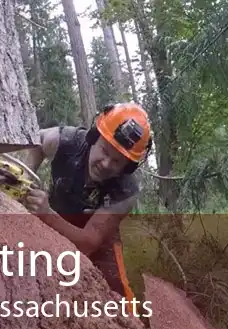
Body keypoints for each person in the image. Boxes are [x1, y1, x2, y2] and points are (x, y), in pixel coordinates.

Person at [21, 102, 153, 305]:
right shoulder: (66, 141)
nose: (106, 164)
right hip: (56, 215)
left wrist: (46, 214)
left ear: (128, 168)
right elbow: (38, 140)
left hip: (95, 236)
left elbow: (89, 243)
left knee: (116, 289)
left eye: (117, 162)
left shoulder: (125, 192)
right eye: (105, 151)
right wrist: (25, 175)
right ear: (93, 138)